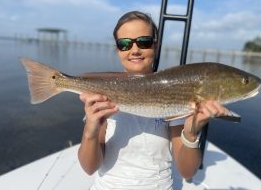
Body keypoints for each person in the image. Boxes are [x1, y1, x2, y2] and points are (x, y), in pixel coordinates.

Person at [78, 11, 230, 190]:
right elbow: (89, 168)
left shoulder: (174, 90)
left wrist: (191, 134)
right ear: (118, 49)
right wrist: (91, 131)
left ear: (155, 45)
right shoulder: (104, 93)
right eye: (125, 44)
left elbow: (187, 172)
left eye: (144, 42)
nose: (135, 50)